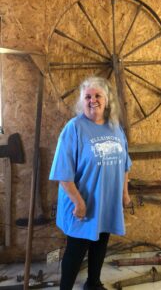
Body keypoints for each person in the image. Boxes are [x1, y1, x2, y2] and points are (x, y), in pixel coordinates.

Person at [49, 76, 132, 290]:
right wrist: (78, 203)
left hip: (107, 203)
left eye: (97, 96)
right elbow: (62, 173)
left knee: (100, 245)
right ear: (81, 101)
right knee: (76, 251)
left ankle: (93, 283)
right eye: (88, 96)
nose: (92, 100)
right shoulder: (74, 128)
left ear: (107, 100)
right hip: (82, 204)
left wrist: (124, 193)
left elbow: (124, 165)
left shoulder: (115, 128)